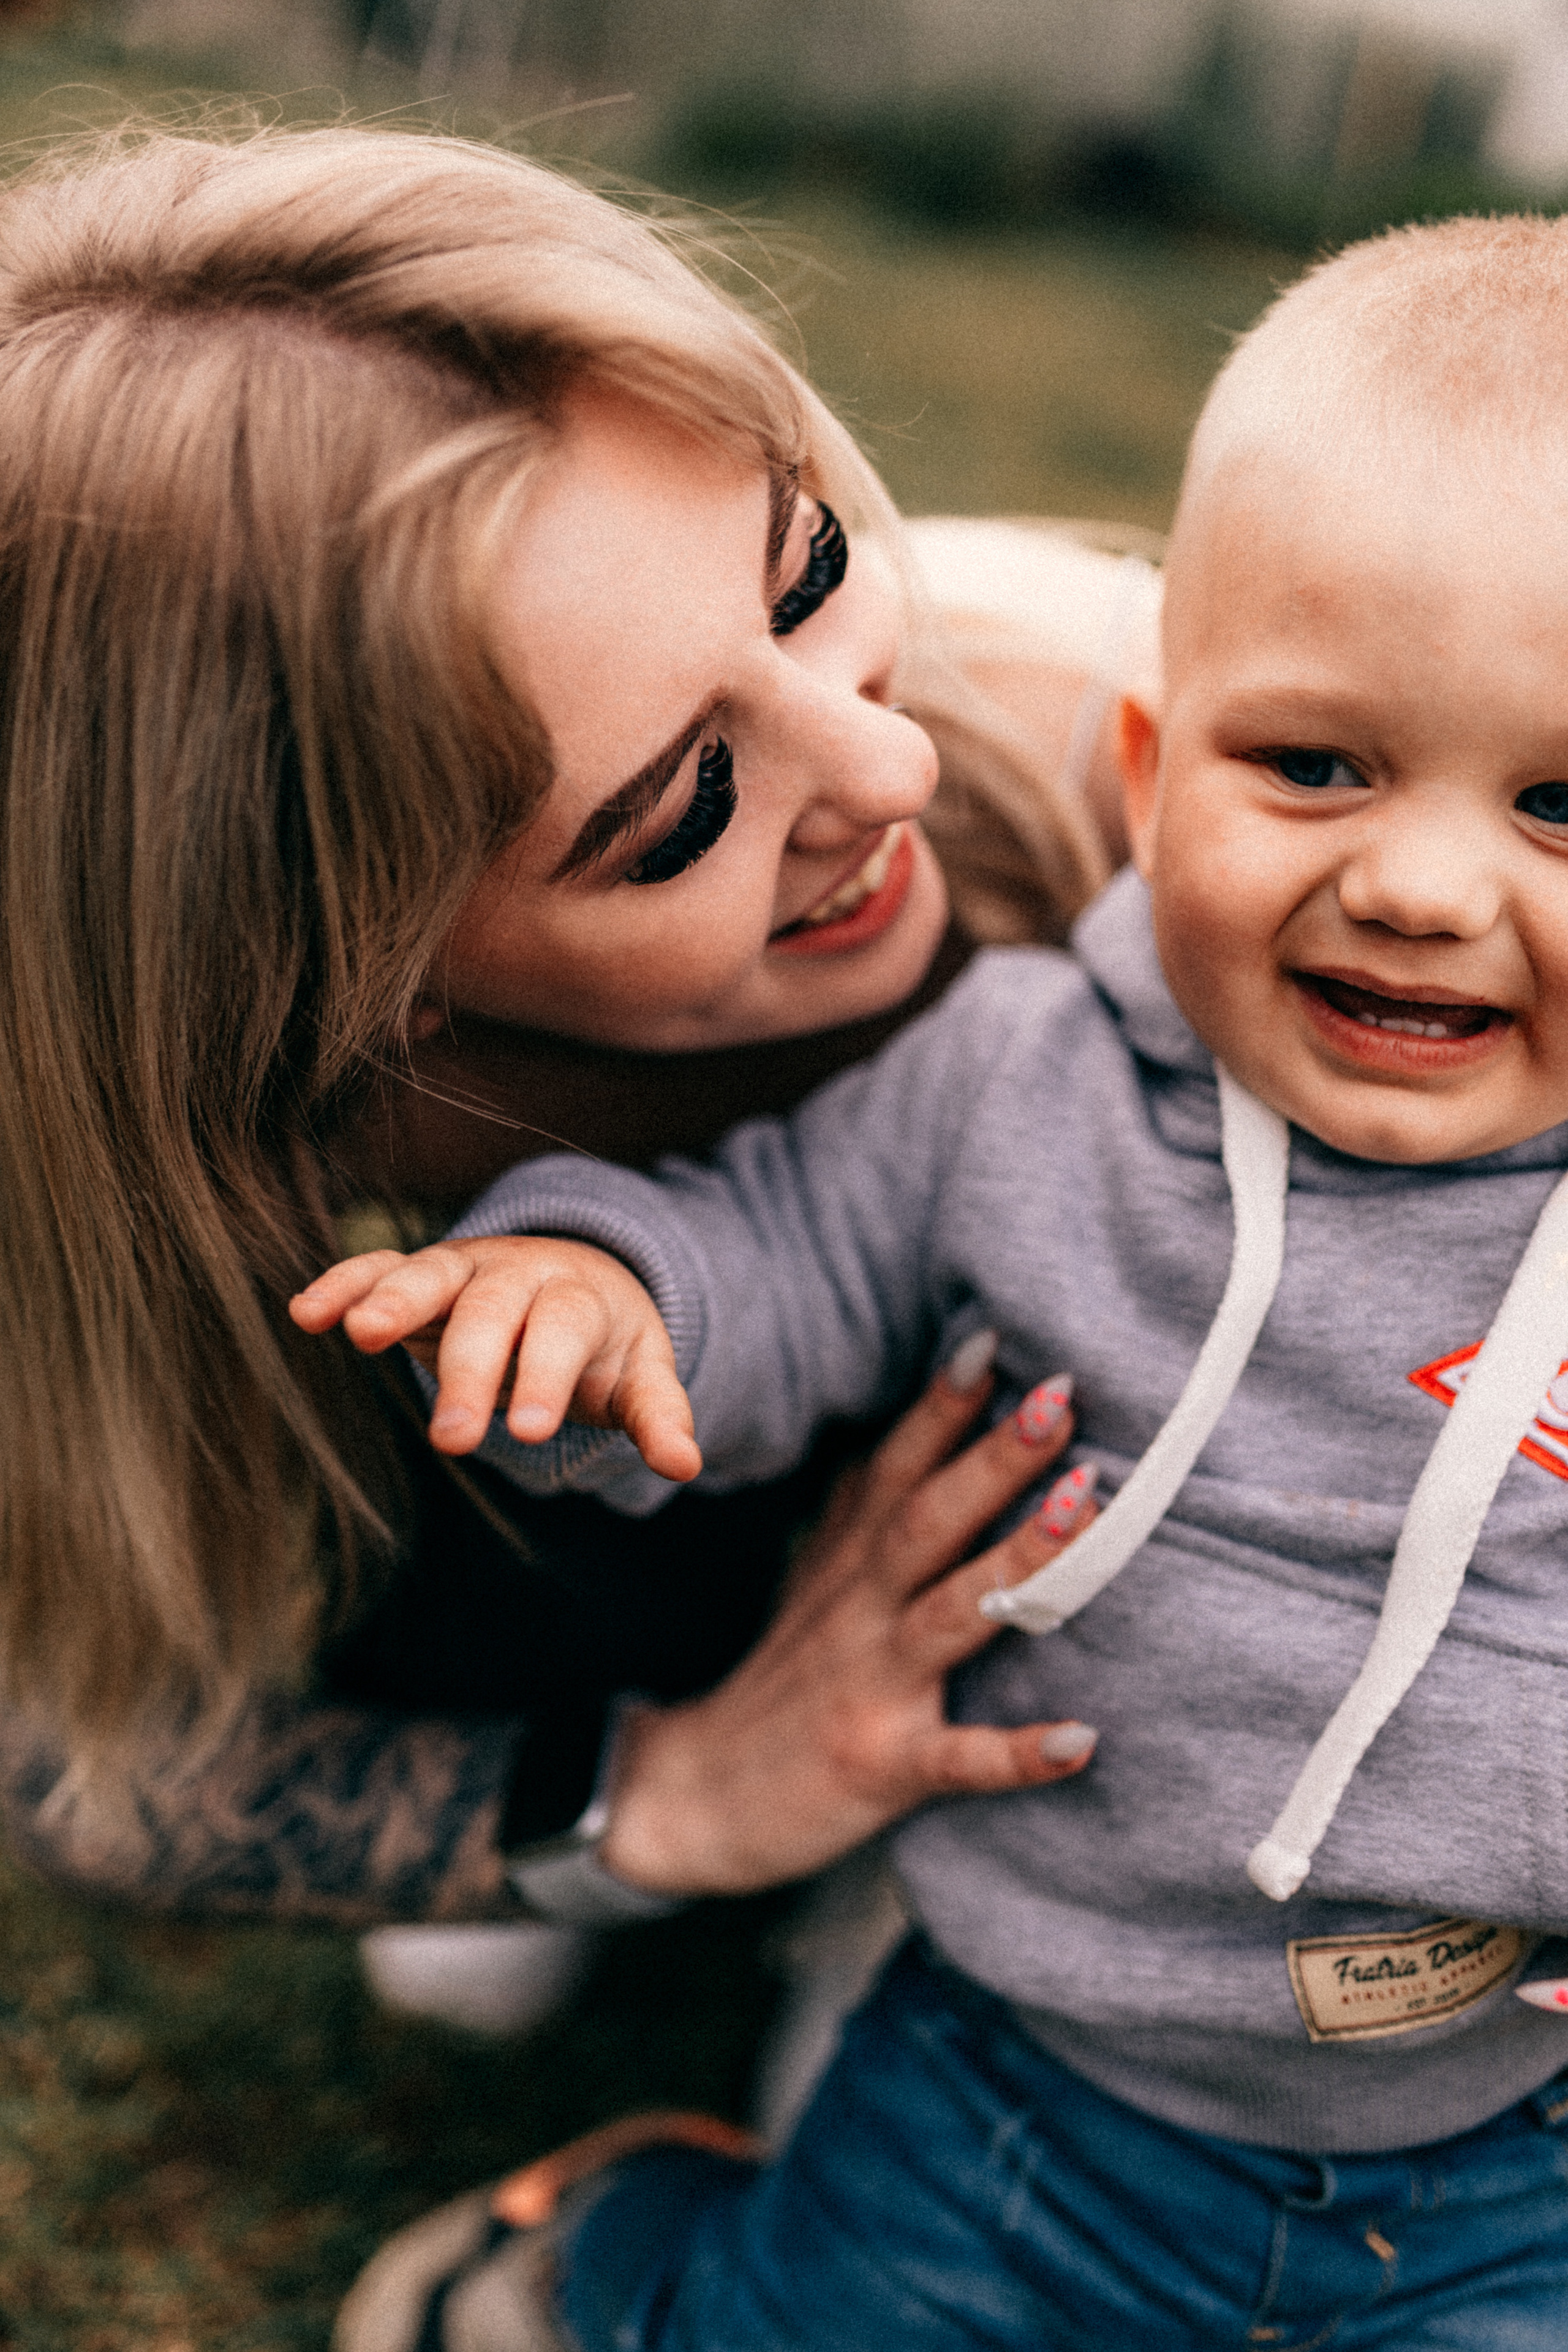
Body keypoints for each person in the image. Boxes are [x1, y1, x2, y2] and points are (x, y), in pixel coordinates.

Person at [329, 215, 1568, 2349]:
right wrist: (604, 1286)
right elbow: (782, 1238)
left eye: (1561, 804)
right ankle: (613, 2264)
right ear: (1152, 772)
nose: (1424, 884)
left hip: (1506, 2152)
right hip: (1019, 2067)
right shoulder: (1026, 1074)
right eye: (1317, 766)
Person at [0, 121, 1155, 2035]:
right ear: (347, 993)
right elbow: (82, 1753)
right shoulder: (162, 1172)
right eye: (682, 805)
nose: (891, 775)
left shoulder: (1146, 749)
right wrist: (667, 1798)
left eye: (803, 575)